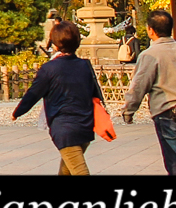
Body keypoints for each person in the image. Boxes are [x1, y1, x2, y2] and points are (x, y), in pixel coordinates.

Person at [121, 7, 176, 175]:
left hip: (168, 112)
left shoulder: (150, 55)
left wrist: (129, 110)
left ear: (150, 30)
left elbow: (139, 85)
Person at [13, 19, 106, 175]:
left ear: (55, 44)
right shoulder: (84, 65)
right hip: (86, 126)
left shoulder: (49, 68)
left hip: (64, 128)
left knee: (79, 171)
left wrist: (17, 112)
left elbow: (34, 93)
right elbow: (96, 93)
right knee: (67, 169)